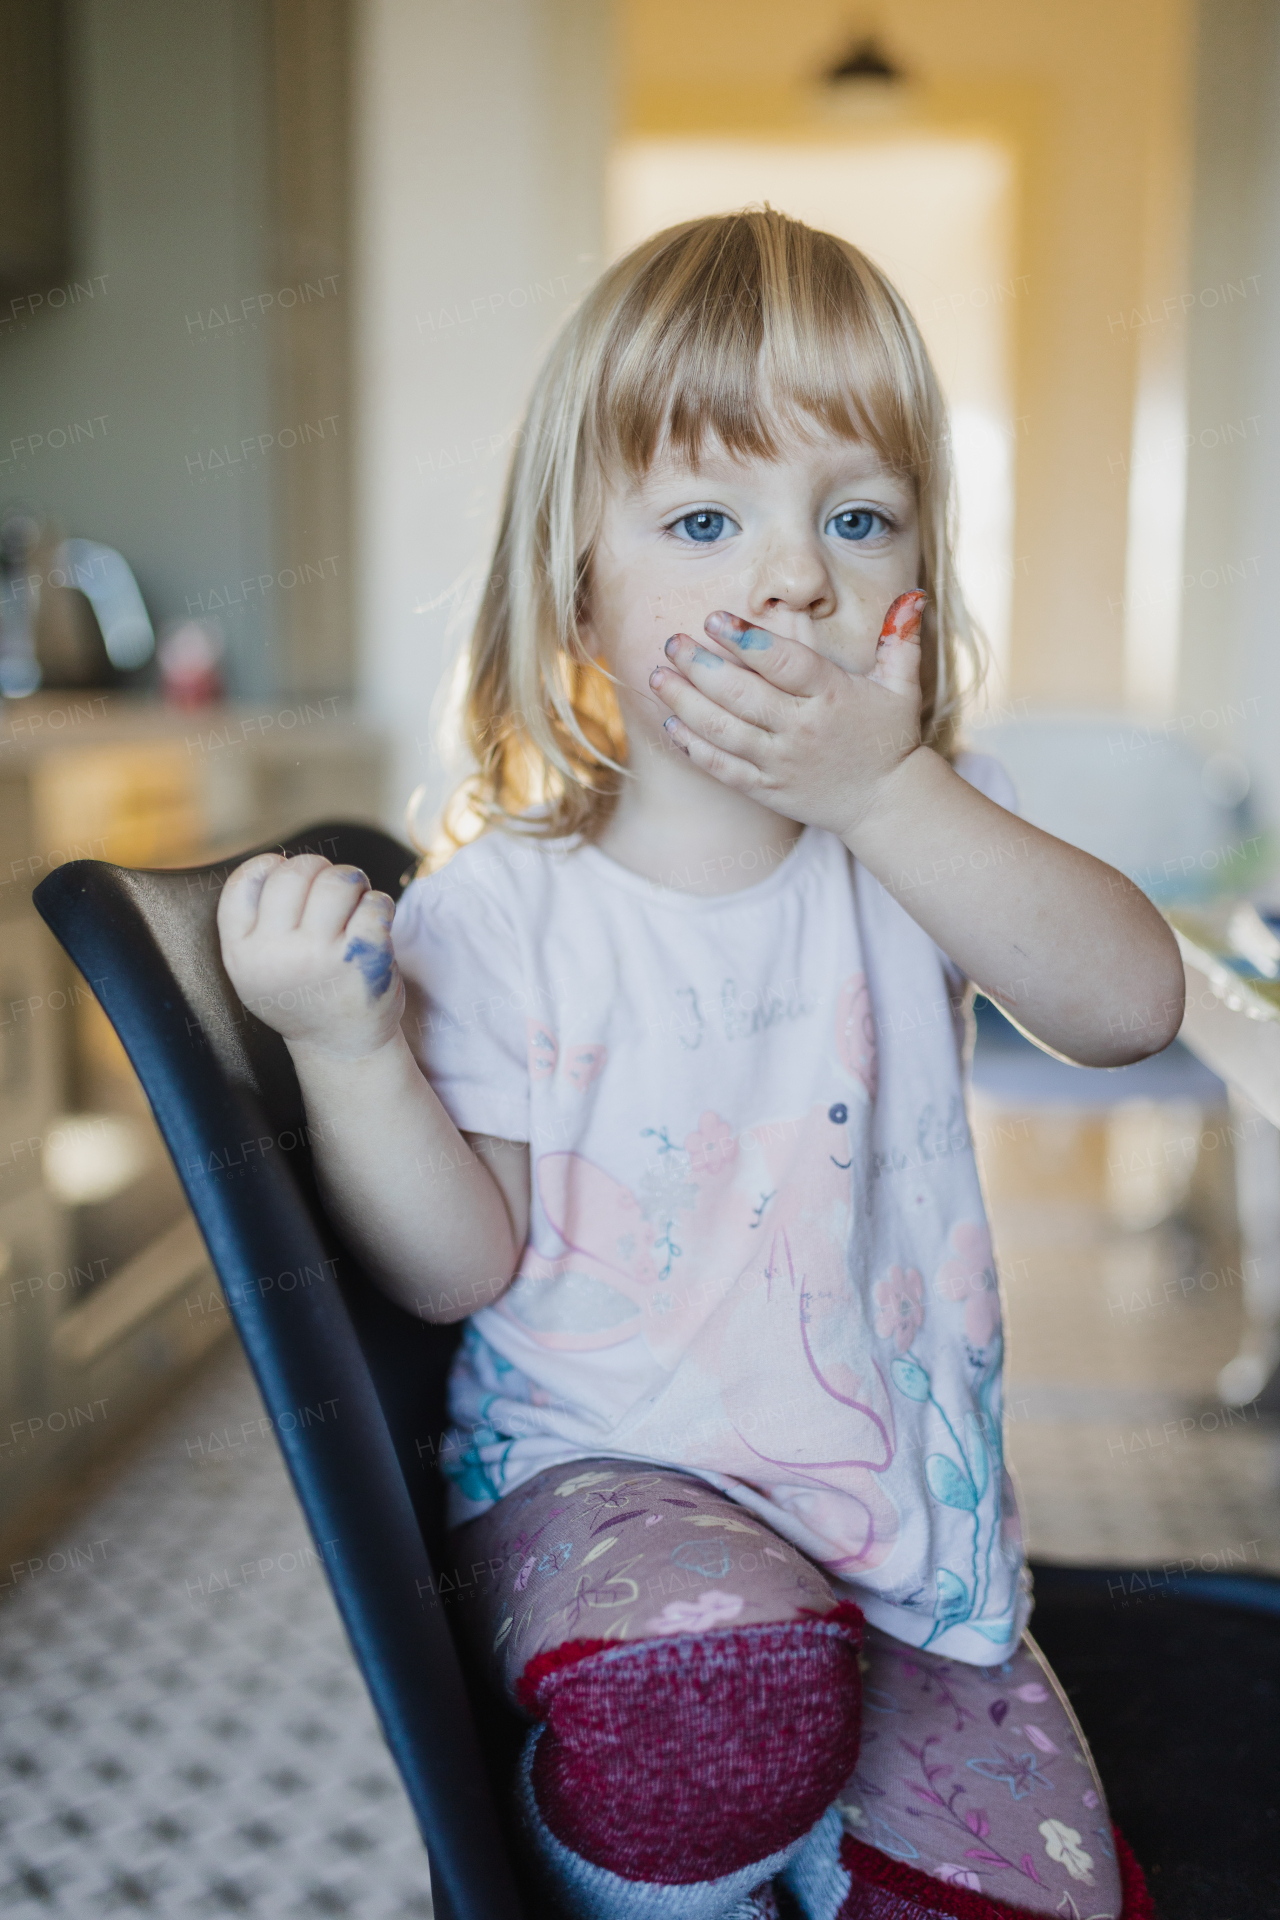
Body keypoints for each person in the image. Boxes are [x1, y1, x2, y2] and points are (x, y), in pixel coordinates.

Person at [217, 211, 1178, 1919]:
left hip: (899, 1545)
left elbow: (1127, 1009)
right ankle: (647, 1852)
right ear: (579, 591)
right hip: (605, 1505)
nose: (795, 575)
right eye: (709, 519)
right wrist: (348, 1049)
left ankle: (779, 1816)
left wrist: (890, 795)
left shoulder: (934, 842)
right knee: (715, 1703)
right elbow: (460, 1267)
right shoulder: (510, 911)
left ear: (914, 596)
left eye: (859, 518)